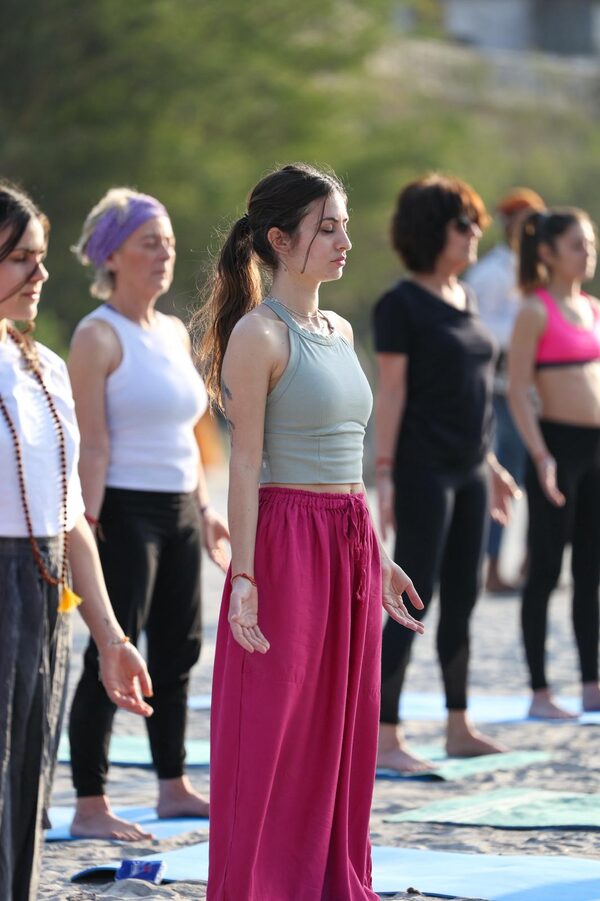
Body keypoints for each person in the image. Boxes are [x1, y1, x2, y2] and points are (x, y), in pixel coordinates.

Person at [194, 162, 425, 900]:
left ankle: (328, 881)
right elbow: (247, 463)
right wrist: (248, 578)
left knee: (340, 727)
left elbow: (348, 460)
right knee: (272, 730)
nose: (344, 239)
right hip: (287, 541)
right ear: (279, 239)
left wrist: (380, 556)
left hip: (350, 538)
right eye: (328, 227)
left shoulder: (340, 327)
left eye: (345, 224)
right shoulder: (259, 334)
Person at [0, 182, 153, 901]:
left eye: (40, 256)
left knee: (28, 770)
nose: (40, 273)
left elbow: (70, 522)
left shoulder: (46, 366)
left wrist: (112, 635)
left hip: (41, 581)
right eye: (19, 258)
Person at [67, 188, 229, 840]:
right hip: (122, 512)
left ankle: (172, 785)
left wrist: (207, 508)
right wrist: (89, 525)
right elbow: (91, 442)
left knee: (180, 650)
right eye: (148, 242)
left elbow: (189, 432)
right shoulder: (95, 335)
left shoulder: (172, 331)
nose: (164, 254)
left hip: (180, 511)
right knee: (113, 648)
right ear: (112, 254)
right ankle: (89, 802)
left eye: (167, 241)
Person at [373, 174, 520, 774]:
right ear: (434, 231)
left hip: (471, 470)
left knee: (463, 597)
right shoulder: (400, 305)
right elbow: (394, 393)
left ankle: (459, 726)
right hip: (422, 470)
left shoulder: (469, 298)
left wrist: (494, 468)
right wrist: (385, 474)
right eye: (465, 224)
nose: (475, 233)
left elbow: (475, 397)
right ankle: (385, 736)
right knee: (414, 598)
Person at [508, 207, 600, 718]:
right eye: (576, 245)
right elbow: (519, 390)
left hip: (596, 452)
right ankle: (540, 693)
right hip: (556, 451)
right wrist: (540, 454)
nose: (587, 253)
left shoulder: (594, 307)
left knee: (590, 572)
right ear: (546, 253)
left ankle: (591, 683)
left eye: (589, 243)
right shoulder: (534, 310)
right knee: (544, 570)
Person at [465, 188, 545, 592]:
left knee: (541, 475)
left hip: (538, 389)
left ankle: (533, 561)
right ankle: (493, 567)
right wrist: (525, 334)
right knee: (506, 475)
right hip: (500, 387)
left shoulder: (539, 268)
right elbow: (474, 325)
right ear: (510, 223)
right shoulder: (491, 273)